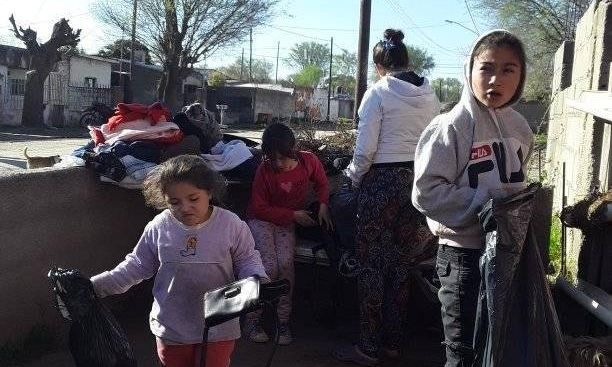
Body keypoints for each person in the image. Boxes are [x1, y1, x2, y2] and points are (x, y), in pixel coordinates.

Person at [411, 30, 533, 367]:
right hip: (463, 258)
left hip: (507, 258)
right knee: (464, 352)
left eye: (509, 69)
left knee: (498, 350)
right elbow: (426, 193)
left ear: (521, 76)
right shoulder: (450, 126)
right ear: (470, 70)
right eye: (487, 68)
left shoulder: (521, 128)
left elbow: (515, 183)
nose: (496, 78)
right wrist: (486, 206)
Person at [90, 155, 268, 367]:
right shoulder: (159, 226)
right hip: (172, 325)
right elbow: (137, 265)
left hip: (219, 327)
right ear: (164, 200)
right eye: (174, 202)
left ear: (209, 192)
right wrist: (95, 286)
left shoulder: (231, 225)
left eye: (193, 199)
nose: (184, 207)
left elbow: (247, 258)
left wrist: (258, 280)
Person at [333, 29, 439, 366]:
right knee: (401, 265)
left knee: (371, 267)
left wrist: (350, 178)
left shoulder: (377, 94)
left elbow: (364, 153)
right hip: (416, 184)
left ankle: (368, 346)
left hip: (381, 185)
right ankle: (394, 343)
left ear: (380, 65)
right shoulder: (431, 96)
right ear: (407, 61)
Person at [244, 122, 332, 345]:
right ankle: (253, 319)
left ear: (292, 149)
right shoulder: (264, 170)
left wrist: (323, 204)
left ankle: (283, 320)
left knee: (285, 264)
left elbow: (322, 183)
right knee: (266, 266)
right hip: (261, 221)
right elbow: (259, 207)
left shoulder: (308, 161)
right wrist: (293, 215)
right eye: (273, 158)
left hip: (286, 223)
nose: (278, 164)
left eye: (282, 158)